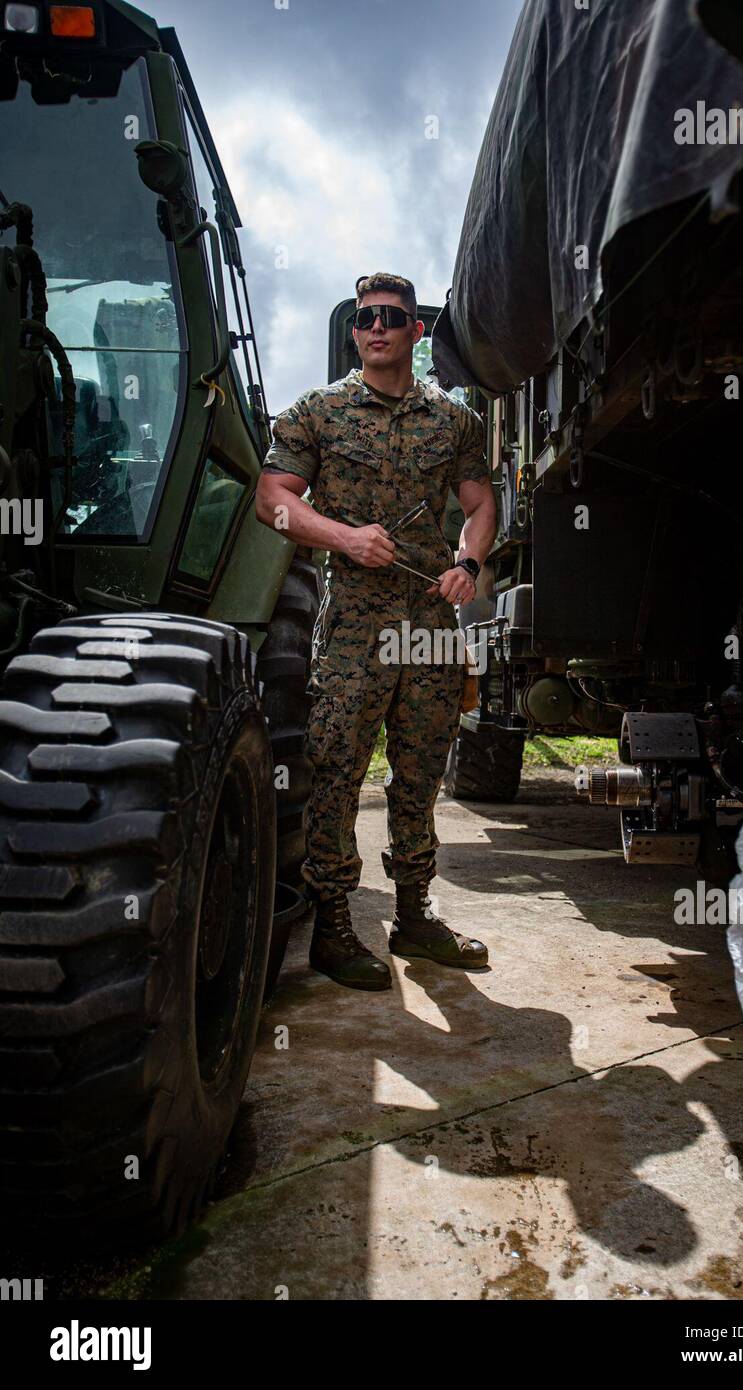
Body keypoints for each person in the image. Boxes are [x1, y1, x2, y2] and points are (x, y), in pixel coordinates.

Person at [256, 272, 497, 991]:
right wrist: (344, 538)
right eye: (366, 318)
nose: (377, 328)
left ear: (415, 330)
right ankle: (332, 927)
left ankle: (415, 914)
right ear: (354, 331)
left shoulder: (454, 423)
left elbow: (481, 504)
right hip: (355, 625)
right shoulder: (319, 414)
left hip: (429, 626)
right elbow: (273, 501)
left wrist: (469, 561)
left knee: (420, 774)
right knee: (336, 773)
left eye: (392, 316)